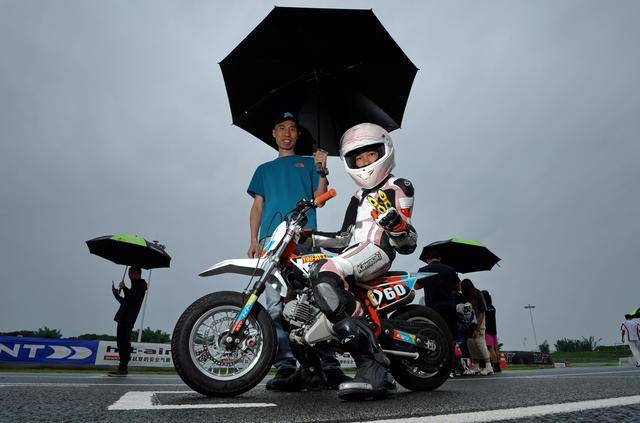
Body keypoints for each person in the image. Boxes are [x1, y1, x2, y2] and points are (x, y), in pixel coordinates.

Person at [309, 122, 418, 400]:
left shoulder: (398, 186)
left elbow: (407, 241)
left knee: (326, 272)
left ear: (384, 151)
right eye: (358, 158)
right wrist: (309, 237)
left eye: (370, 154)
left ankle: (374, 366)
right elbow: (343, 237)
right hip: (354, 251)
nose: (365, 162)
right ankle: (311, 368)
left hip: (377, 251)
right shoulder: (356, 198)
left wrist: (396, 226)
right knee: (309, 276)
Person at [247, 111, 349, 391]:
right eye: (281, 128)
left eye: (292, 128)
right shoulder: (263, 170)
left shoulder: (308, 163)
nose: (287, 133)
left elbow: (320, 198)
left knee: (318, 301)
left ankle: (329, 365)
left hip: (304, 238)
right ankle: (286, 366)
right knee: (275, 305)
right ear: (274, 133)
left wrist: (322, 169)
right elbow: (257, 206)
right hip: (271, 241)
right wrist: (254, 240)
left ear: (298, 134)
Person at [109, 266, 147, 377]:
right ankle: (122, 367)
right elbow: (125, 302)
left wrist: (124, 287)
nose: (129, 276)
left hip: (128, 318)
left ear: (135, 273)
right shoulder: (135, 285)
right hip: (123, 317)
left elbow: (132, 298)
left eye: (130, 274)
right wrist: (116, 294)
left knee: (124, 343)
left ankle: (123, 367)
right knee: (120, 342)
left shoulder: (141, 285)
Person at [418, 250, 460, 340]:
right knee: (451, 331)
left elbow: (416, 286)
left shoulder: (423, 270)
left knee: (436, 331)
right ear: (440, 258)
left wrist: (428, 282)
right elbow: (458, 287)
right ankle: (453, 346)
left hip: (432, 306)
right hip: (449, 305)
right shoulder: (450, 269)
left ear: (427, 260)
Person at [460, 279, 493, 375]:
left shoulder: (478, 294)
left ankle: (488, 366)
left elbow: (482, 312)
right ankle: (476, 366)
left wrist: (477, 329)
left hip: (479, 320)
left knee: (480, 342)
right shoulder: (465, 296)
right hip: (470, 321)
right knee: (471, 343)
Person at [482, 290, 500, 373]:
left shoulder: (485, 308)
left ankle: (494, 365)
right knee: (495, 349)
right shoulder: (492, 307)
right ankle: (497, 365)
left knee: (490, 348)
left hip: (487, 330)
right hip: (494, 330)